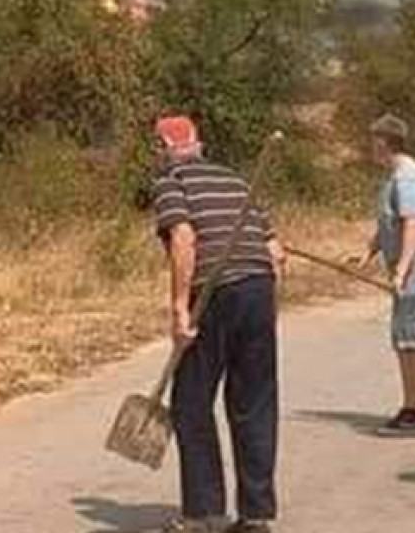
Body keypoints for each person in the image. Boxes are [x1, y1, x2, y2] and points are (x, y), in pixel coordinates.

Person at [150, 115, 283, 533]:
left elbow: (184, 240)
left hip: (215, 293)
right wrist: (268, 309)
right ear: (199, 144)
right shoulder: (237, 182)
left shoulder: (170, 182)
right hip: (258, 291)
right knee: (254, 404)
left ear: (161, 149)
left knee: (190, 402)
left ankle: (203, 513)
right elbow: (276, 253)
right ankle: (256, 515)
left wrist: (178, 308)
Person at [357, 113, 415, 434]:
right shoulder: (399, 176)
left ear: (384, 142)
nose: (369, 147)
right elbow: (392, 222)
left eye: (372, 141)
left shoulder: (406, 179)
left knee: (409, 338)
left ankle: (411, 411)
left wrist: (401, 270)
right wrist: (370, 251)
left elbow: (412, 223)